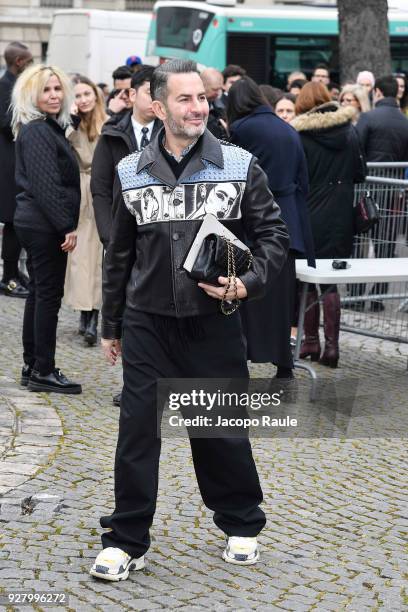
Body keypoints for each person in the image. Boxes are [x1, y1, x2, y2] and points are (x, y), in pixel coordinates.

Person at [89, 59, 289, 580]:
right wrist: (111, 324)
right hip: (147, 323)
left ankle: (242, 525)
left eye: (202, 97)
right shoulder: (130, 170)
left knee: (220, 432)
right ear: (157, 106)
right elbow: (119, 255)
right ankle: (125, 538)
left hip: (214, 323)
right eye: (185, 99)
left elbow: (274, 238)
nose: (198, 107)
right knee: (137, 433)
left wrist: (247, 284)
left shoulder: (240, 165)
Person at [227, 77, 314, 380]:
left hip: (254, 220)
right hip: (287, 221)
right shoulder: (289, 130)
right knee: (282, 299)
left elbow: (233, 176)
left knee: (248, 295)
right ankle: (284, 363)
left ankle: (242, 358)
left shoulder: (242, 129)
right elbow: (303, 182)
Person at [91, 65, 161, 406]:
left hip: (157, 236)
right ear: (131, 95)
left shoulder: (169, 133)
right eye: (150, 91)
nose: (155, 99)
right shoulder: (112, 134)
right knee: (127, 305)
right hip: (121, 235)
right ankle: (133, 383)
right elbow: (101, 188)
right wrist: (108, 234)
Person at [11, 65, 81, 394]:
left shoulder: (43, 127)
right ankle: (43, 369)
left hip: (37, 221)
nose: (54, 95)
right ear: (32, 95)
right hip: (43, 224)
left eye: (57, 89)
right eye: (46, 90)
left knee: (39, 294)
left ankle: (32, 364)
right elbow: (46, 184)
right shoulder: (37, 130)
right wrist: (66, 225)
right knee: (48, 297)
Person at [291, 82, 366, 368]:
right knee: (332, 283)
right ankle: (332, 347)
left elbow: (296, 177)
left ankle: (310, 341)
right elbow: (361, 173)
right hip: (340, 218)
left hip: (309, 215)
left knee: (308, 279)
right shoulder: (350, 132)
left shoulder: (299, 136)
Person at [356, 75, 408, 308]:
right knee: (385, 244)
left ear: (376, 92)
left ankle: (355, 296)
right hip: (394, 189)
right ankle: (378, 297)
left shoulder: (368, 117)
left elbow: (356, 148)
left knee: (358, 241)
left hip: (365, 188)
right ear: (396, 93)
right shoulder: (405, 121)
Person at [64, 76, 107, 345]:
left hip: (102, 192)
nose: (83, 99)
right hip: (78, 193)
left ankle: (94, 316)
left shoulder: (109, 122)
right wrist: (71, 123)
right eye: (77, 95)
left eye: (86, 94)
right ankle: (84, 313)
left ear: (95, 94)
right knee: (80, 257)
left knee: (99, 255)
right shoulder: (70, 125)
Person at [0, 42, 33, 298]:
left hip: (14, 163)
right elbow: (6, 123)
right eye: (29, 61)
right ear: (20, 62)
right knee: (12, 221)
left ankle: (12, 272)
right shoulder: (5, 88)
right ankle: (8, 277)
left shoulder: (13, 86)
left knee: (16, 222)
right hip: (7, 165)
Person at [200, 67, 227, 139]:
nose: (218, 93)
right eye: (215, 89)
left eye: (220, 89)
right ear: (202, 85)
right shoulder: (192, 108)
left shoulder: (220, 107)